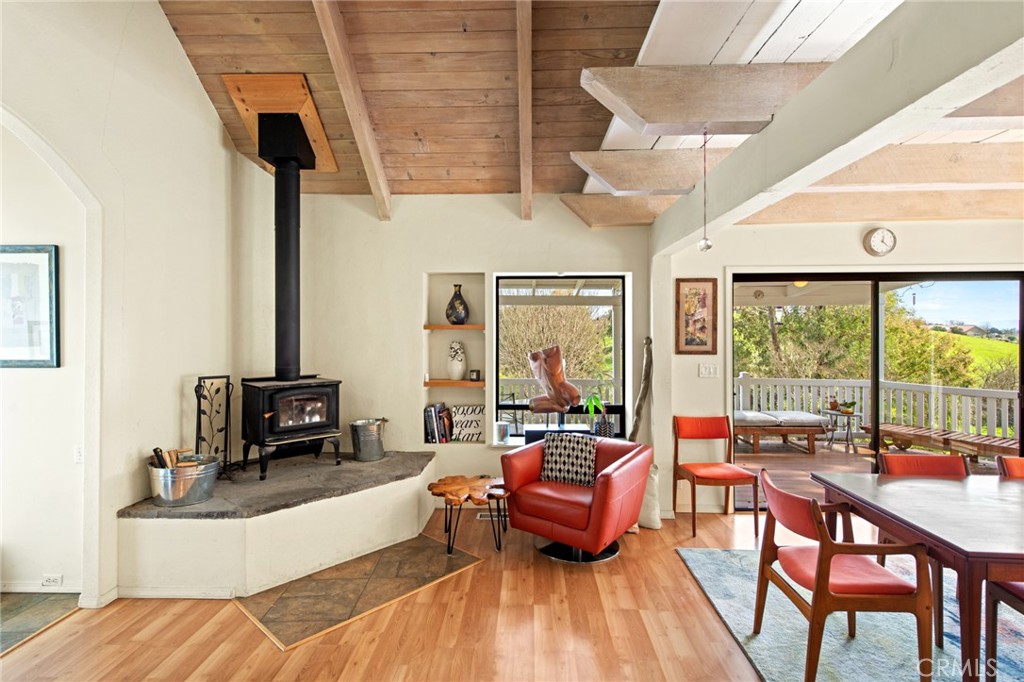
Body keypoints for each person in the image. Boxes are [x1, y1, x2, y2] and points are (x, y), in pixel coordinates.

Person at [527, 345, 581, 413]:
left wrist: (558, 408)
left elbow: (532, 406)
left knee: (539, 356)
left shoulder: (558, 394)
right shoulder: (566, 393)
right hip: (556, 394)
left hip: (557, 395)